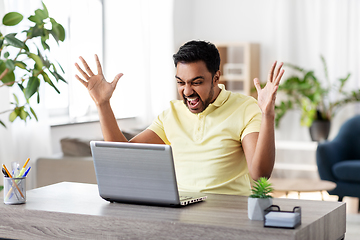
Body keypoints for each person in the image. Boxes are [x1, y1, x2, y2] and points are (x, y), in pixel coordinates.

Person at [75, 40, 284, 196]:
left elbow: (260, 174)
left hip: (229, 210)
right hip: (180, 212)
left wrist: (267, 115)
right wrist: (103, 104)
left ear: (216, 78)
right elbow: (122, 158)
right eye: (180, 82)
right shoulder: (171, 115)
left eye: (196, 82)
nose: (187, 91)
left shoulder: (244, 108)